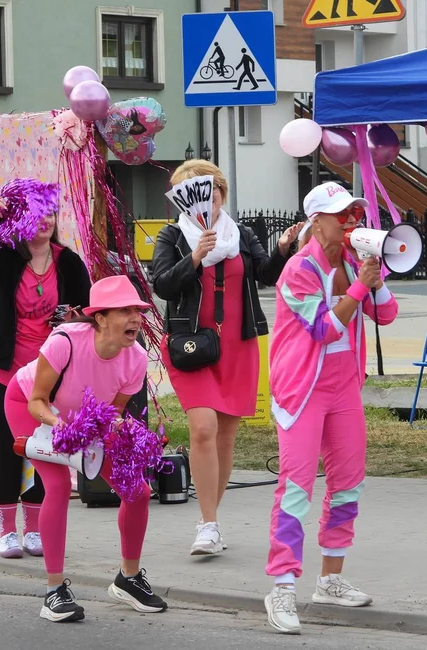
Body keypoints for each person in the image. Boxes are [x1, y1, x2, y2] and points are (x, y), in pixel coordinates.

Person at [263, 181, 399, 634]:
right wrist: (359, 288)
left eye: (354, 213)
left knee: (348, 485)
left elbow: (387, 315)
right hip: (302, 389)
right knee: (296, 489)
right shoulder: (299, 268)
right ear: (317, 221)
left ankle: (330, 580)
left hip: (343, 388)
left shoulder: (353, 262)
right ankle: (282, 586)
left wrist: (373, 279)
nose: (350, 221)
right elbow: (323, 330)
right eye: (341, 214)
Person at [151, 159, 300, 556]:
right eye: (196, 193)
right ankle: (209, 524)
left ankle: (209, 521)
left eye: (212, 189)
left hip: (238, 345)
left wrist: (282, 249)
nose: (207, 198)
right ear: (184, 200)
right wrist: (194, 257)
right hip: (190, 346)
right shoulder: (174, 235)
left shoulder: (241, 234)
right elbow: (162, 285)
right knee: (203, 428)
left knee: (225, 436)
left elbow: (266, 275)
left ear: (220, 193)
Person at [4, 275, 167, 622]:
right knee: (59, 485)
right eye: (125, 311)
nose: (136, 318)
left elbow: (112, 413)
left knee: (137, 491)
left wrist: (125, 432)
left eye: (138, 310)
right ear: (101, 318)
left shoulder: (137, 358)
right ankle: (54, 592)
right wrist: (59, 426)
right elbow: (36, 400)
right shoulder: (64, 341)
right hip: (32, 407)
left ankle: (128, 579)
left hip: (85, 420)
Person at [0, 195, 91, 560]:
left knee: (41, 449)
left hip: (45, 376)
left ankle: (33, 530)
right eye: (36, 214)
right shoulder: (2, 256)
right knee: (6, 449)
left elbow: (88, 309)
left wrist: (73, 318)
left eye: (50, 213)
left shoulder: (69, 262)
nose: (45, 220)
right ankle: (7, 532)